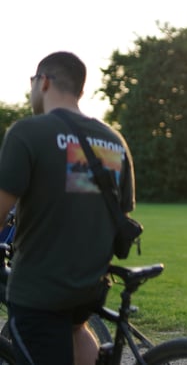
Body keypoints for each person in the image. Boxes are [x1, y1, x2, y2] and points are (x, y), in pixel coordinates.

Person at [0, 52, 135, 365]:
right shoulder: (113, 141)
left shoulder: (28, 133)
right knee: (76, 331)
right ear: (81, 91)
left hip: (40, 290)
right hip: (90, 286)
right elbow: (121, 214)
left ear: (43, 82)